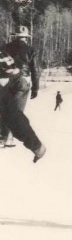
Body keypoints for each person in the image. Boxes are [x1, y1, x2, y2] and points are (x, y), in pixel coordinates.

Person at [0, 27, 46, 162]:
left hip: (7, 79)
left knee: (8, 110)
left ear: (15, 36)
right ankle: (8, 137)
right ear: (26, 37)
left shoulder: (6, 48)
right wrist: (36, 87)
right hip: (21, 79)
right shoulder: (30, 50)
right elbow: (35, 70)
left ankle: (5, 137)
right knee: (14, 112)